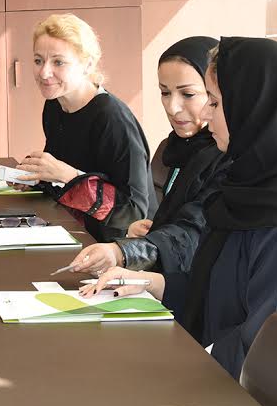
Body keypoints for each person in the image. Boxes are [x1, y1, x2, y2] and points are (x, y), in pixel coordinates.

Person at [82, 38, 277, 378]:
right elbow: (222, 296)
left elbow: (272, 353)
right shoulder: (247, 191)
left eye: (215, 102)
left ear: (256, 109)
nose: (205, 115)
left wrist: (170, 366)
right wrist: (151, 284)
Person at [67, 37, 227, 274]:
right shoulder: (175, 148)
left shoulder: (224, 157)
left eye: (188, 94)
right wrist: (150, 233)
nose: (172, 107)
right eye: (165, 92)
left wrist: (126, 251)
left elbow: (193, 231)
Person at [15, 13, 152, 242]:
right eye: (38, 61)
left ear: (87, 64)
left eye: (58, 62)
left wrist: (69, 177)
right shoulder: (54, 105)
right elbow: (61, 177)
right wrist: (36, 176)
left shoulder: (112, 118)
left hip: (114, 245)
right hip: (71, 228)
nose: (44, 72)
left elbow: (133, 211)